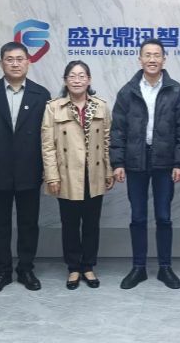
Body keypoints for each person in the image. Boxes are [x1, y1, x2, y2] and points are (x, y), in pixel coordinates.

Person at [0, 42, 51, 295]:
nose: (15, 63)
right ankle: (2, 271)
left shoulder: (41, 94)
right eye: (9, 59)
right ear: (1, 63)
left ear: (28, 62)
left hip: (30, 170)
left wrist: (48, 168)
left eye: (20, 59)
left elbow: (48, 136)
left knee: (29, 224)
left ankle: (26, 269)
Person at [110, 38, 180, 290]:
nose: (152, 59)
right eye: (148, 55)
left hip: (165, 163)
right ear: (140, 59)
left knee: (164, 217)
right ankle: (139, 268)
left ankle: (165, 268)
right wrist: (117, 162)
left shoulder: (176, 91)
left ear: (164, 59)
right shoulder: (127, 91)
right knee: (138, 217)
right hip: (135, 161)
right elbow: (117, 130)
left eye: (157, 55)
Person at [41, 60, 114, 290]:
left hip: (94, 173)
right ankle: (73, 267)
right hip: (67, 174)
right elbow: (48, 146)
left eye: (82, 76)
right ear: (65, 81)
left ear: (89, 80)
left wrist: (109, 171)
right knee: (70, 224)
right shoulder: (54, 107)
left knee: (92, 224)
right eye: (72, 76)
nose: (77, 80)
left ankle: (88, 266)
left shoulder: (101, 106)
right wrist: (52, 176)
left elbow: (107, 141)